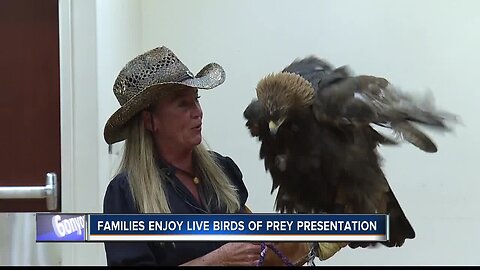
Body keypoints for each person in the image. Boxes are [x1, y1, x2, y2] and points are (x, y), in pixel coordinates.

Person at [102, 46, 262, 266]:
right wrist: (216, 261)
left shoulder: (222, 171)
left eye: (196, 99)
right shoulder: (127, 195)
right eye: (183, 104)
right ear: (150, 121)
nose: (197, 111)